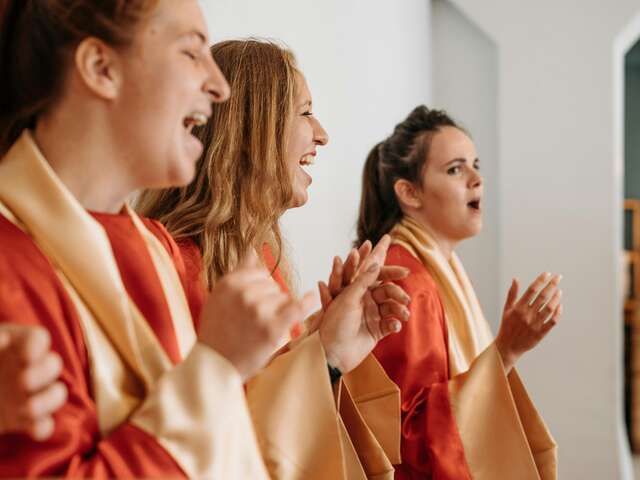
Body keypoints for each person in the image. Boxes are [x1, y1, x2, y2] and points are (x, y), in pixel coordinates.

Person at [0, 1, 316, 477]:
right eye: (191, 53)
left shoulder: (151, 245)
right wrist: (214, 370)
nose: (219, 85)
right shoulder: (10, 262)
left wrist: (328, 351)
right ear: (101, 68)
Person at [137, 39, 412, 479]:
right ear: (250, 130)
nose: (322, 133)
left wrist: (325, 347)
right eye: (304, 112)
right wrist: (319, 354)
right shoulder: (170, 264)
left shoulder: (263, 259)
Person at [356, 105, 561, 479]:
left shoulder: (437, 270)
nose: (476, 179)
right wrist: (505, 351)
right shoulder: (405, 279)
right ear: (410, 192)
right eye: (455, 169)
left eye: (476, 165)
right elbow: (406, 437)